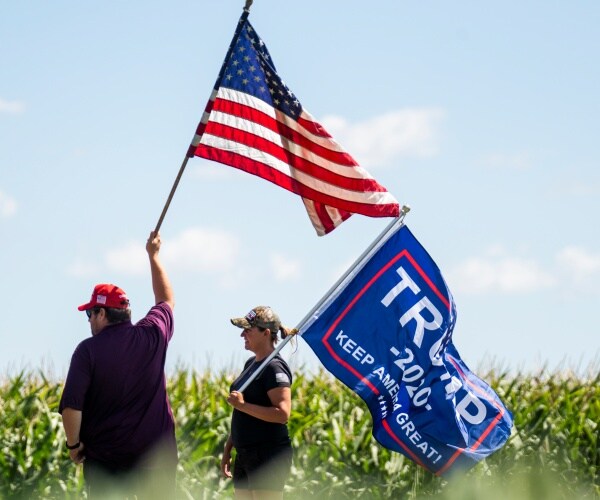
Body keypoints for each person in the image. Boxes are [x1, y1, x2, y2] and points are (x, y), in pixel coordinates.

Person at [58, 231, 177, 498]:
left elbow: (71, 407)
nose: (89, 320)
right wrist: (154, 257)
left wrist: (74, 445)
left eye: (90, 313)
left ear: (102, 313)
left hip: (107, 465)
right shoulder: (153, 334)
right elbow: (166, 301)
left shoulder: (87, 351)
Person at [221, 306, 294, 500]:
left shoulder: (274, 367)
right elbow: (242, 414)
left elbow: (282, 414)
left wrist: (242, 405)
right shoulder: (251, 364)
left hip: (267, 454)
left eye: (248, 330)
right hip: (245, 452)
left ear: (266, 333)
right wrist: (229, 447)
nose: (242, 335)